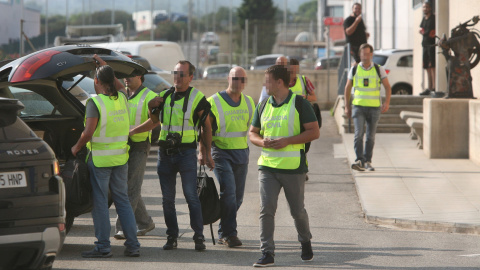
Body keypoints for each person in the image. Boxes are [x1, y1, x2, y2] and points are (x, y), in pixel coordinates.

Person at [249, 65, 320, 267]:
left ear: (279, 82)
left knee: (297, 211)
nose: (265, 84)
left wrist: (287, 141)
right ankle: (267, 253)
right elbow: (252, 132)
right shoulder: (263, 105)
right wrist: (262, 142)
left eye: (268, 80)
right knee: (266, 209)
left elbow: (314, 132)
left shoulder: (300, 104)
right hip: (268, 167)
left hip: (293, 168)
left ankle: (305, 241)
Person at [71, 55, 140, 258]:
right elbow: (117, 86)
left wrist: (76, 147)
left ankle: (103, 247)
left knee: (100, 203)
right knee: (123, 201)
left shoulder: (95, 103)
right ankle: (133, 245)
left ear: (96, 81)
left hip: (100, 161)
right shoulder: (122, 98)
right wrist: (105, 67)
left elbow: (88, 132)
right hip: (120, 159)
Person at [147, 60, 214, 251]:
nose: (177, 77)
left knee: (191, 195)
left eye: (182, 74)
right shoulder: (164, 96)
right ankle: (171, 237)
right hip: (165, 153)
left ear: (191, 77)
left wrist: (206, 153)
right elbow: (154, 120)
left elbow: (206, 127)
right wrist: (151, 106)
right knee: (167, 199)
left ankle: (198, 237)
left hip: (185, 153)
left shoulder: (197, 98)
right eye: (175, 73)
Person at [203, 66, 255, 248]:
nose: (238, 83)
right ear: (228, 79)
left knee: (237, 198)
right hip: (221, 152)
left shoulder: (249, 102)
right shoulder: (214, 101)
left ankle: (223, 231)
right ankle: (230, 234)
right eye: (235, 78)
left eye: (242, 79)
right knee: (229, 193)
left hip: (241, 153)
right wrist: (204, 152)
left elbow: (253, 128)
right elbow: (204, 129)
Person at [113, 74, 157, 240]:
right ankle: (145, 222)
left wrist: (133, 131)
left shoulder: (150, 96)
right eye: (124, 76)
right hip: (124, 145)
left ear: (140, 76)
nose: (126, 78)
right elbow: (115, 82)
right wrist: (102, 65)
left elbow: (155, 121)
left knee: (130, 187)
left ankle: (123, 227)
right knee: (129, 186)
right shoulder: (124, 94)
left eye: (130, 75)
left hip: (139, 145)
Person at [344, 43, 391, 172]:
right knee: (358, 134)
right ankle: (359, 160)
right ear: (360, 55)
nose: (365, 56)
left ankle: (367, 161)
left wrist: (386, 102)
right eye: (362, 53)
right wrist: (347, 106)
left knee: (370, 136)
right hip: (358, 107)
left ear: (371, 54)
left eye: (367, 53)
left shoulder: (378, 69)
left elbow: (387, 86)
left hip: (374, 108)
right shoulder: (354, 69)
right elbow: (347, 88)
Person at [419, 1, 436, 95]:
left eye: (427, 7)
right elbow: (421, 29)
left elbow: (431, 32)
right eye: (424, 7)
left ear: (430, 8)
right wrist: (422, 32)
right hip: (424, 45)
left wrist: (424, 32)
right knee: (426, 66)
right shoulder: (424, 19)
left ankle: (434, 86)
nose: (425, 9)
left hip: (431, 45)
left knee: (432, 65)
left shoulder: (433, 18)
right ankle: (429, 87)